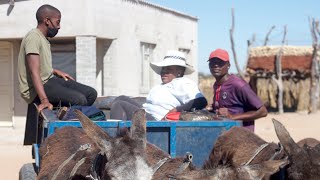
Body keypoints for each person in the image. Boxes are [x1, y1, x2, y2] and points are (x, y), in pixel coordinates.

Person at [18, 4, 97, 145]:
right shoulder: (33, 37)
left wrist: (54, 71)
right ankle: (69, 137)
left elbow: (39, 65)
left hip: (48, 79)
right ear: (47, 21)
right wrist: (44, 100)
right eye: (58, 22)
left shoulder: (43, 38)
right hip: (37, 87)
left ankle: (65, 113)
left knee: (91, 94)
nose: (59, 26)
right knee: (80, 100)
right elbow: (33, 71)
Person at [110, 50, 208, 121]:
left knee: (119, 105)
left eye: (168, 69)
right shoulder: (161, 86)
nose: (164, 72)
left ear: (179, 71)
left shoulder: (182, 82)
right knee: (121, 98)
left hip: (158, 123)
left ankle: (113, 141)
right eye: (163, 69)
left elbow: (201, 101)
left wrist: (176, 110)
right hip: (146, 115)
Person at [208, 48, 267, 131]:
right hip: (225, 135)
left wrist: (233, 117)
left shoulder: (238, 85)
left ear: (228, 65)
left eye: (220, 63)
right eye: (212, 62)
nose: (215, 65)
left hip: (241, 137)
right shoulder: (216, 85)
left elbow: (263, 112)